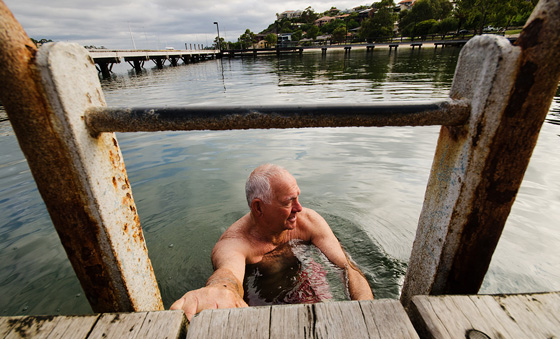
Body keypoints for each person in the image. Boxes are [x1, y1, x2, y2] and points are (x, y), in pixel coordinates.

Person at [170, 164, 373, 320]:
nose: (299, 208)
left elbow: (347, 268)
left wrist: (365, 311)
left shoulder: (309, 222)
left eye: (297, 198)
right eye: (288, 202)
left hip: (304, 287)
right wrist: (218, 291)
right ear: (258, 208)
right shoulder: (234, 243)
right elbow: (228, 276)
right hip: (265, 304)